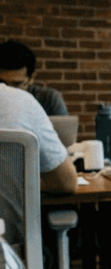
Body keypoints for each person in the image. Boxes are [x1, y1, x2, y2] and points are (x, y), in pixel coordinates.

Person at [0, 83, 77, 245]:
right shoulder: (20, 102)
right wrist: (22, 180)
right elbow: (67, 182)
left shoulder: (47, 97)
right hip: (11, 253)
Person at [0, 40, 69, 116]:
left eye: (16, 84)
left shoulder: (49, 99)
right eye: (1, 83)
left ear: (31, 78)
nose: (8, 90)